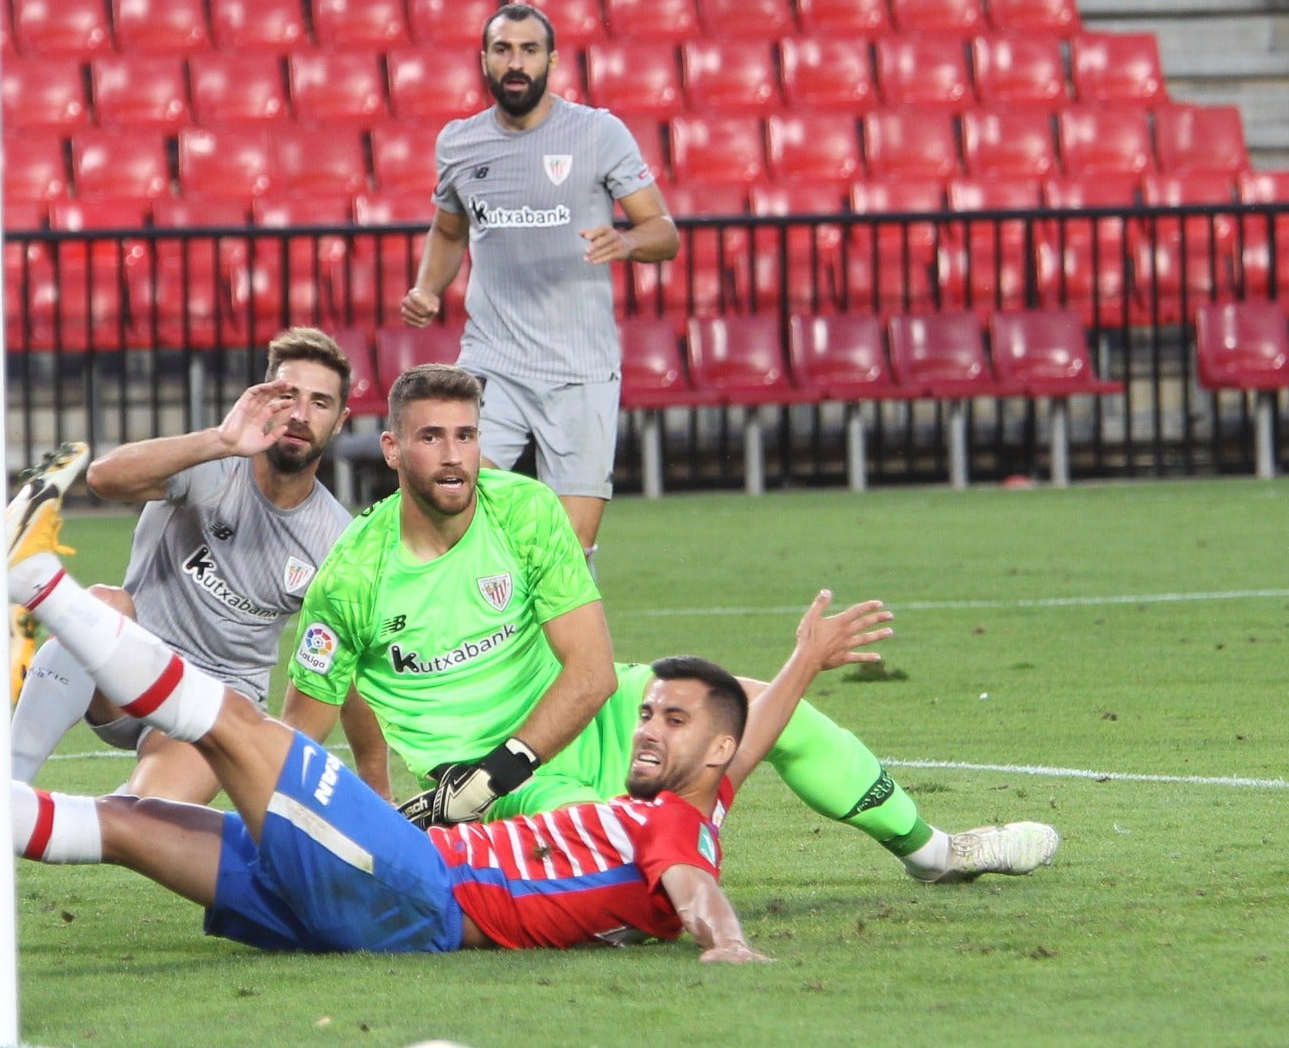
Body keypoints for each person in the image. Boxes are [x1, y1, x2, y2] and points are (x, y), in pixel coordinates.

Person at [0, 455, 907, 959]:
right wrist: (802, 663)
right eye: (651, 710)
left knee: (241, 724)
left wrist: (728, 942)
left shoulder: (677, 832)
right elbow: (741, 749)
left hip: (414, 887)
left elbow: (692, 880)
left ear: (707, 751)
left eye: (671, 720)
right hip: (389, 889)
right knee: (134, 823)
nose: (649, 727)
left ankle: (37, 581)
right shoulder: (703, 796)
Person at [281, 364, 1060, 884]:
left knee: (757, 707)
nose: (454, 456)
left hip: (577, 725)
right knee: (609, 858)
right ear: (392, 448)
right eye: (431, 437)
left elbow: (591, 673)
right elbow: (292, 745)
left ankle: (935, 852)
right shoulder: (352, 577)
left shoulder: (521, 510)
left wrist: (494, 773)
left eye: (466, 435)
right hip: (501, 787)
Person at [8, 328, 389, 800]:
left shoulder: (335, 538)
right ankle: (3, 787)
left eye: (320, 403)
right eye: (288, 396)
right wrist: (220, 440)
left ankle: (67, 820)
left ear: (340, 421)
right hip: (126, 673)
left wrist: (376, 781)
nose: (299, 414)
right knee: (103, 605)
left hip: (214, 703)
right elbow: (103, 479)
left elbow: (346, 663)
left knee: (147, 815)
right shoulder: (213, 464)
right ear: (263, 397)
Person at [400, 3, 680, 575]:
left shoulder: (598, 133)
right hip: (493, 362)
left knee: (570, 548)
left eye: (529, 50)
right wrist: (428, 288)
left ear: (551, 61)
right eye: (503, 50)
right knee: (453, 507)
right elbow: (449, 231)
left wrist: (627, 242)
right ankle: (473, 627)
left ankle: (562, 633)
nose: (516, 62)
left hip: (580, 366)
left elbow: (664, 232)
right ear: (484, 60)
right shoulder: (459, 143)